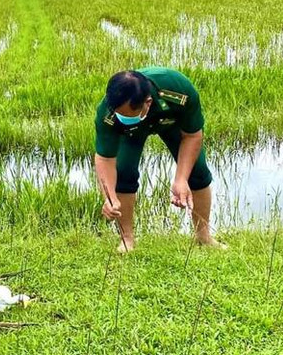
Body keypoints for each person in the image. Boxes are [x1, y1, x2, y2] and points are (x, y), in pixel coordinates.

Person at [93, 67, 225, 252]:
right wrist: (109, 198)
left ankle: (203, 236)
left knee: (198, 172)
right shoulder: (107, 113)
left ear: (147, 102)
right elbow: (105, 158)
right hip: (130, 134)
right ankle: (127, 240)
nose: (121, 118)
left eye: (126, 115)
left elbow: (193, 135)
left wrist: (181, 179)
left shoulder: (178, 89)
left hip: (171, 123)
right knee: (123, 174)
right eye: (119, 115)